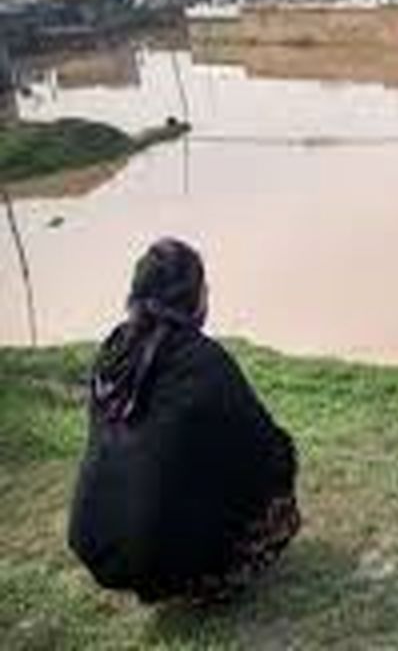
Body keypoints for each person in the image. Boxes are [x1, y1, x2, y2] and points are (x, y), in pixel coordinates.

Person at [68, 238, 300, 604]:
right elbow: (268, 456)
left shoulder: (112, 350)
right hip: (167, 560)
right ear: (191, 297)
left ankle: (165, 560)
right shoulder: (204, 363)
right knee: (279, 501)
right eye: (203, 286)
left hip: (97, 544)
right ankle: (195, 579)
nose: (207, 294)